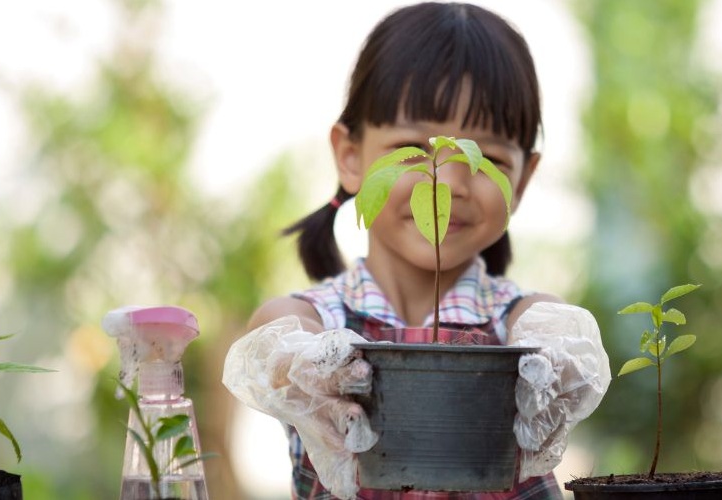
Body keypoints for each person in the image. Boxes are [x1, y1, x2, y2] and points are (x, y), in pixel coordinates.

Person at [223, 3, 611, 499]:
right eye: (412, 149)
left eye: (485, 157)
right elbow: (277, 350)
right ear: (350, 157)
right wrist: (305, 365)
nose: (446, 184)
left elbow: (564, 343)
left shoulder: (526, 323)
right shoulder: (310, 322)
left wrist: (559, 359)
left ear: (521, 179)